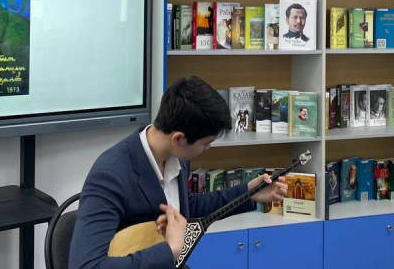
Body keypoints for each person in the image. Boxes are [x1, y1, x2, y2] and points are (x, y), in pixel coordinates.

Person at [69, 76, 288, 269]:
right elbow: (86, 266)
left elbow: (187, 206)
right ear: (179, 138)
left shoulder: (178, 157)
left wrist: (249, 193)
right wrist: (170, 250)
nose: (208, 148)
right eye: (206, 143)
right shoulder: (110, 175)